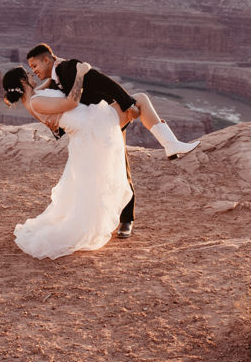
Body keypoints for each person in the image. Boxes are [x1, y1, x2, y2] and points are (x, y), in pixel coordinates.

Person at [26, 43, 201, 238]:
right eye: (31, 68)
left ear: (47, 60)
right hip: (99, 123)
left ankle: (124, 221)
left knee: (119, 165)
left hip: (103, 118)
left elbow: (106, 83)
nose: (34, 71)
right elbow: (63, 96)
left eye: (35, 66)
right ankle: (169, 144)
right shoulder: (58, 75)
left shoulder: (69, 67)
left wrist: (126, 103)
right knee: (119, 161)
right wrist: (129, 105)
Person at [2, 62, 132, 260]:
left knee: (87, 184)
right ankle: (86, 227)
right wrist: (79, 73)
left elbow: (44, 87)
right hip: (87, 131)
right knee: (92, 182)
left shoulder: (32, 97)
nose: (32, 74)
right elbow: (71, 102)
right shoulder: (35, 102)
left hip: (82, 132)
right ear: (22, 80)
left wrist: (54, 70)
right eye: (28, 73)